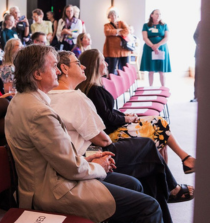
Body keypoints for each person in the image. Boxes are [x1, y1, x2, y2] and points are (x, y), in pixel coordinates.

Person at [5, 44, 163, 223]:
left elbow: (57, 156)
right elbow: (71, 167)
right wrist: (99, 165)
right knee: (149, 207)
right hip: (54, 191)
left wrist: (89, 159)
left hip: (49, 178)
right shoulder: (39, 112)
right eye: (53, 66)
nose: (57, 71)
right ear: (37, 74)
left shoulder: (19, 101)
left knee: (134, 184)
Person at [50, 51, 192, 222]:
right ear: (64, 68)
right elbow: (103, 139)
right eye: (77, 63)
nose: (83, 67)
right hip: (91, 154)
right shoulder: (75, 96)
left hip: (84, 154)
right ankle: (171, 188)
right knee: (149, 146)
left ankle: (171, 187)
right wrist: (121, 125)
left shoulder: (50, 97)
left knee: (150, 151)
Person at [77, 49, 195, 173]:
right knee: (159, 127)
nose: (107, 64)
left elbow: (107, 112)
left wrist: (124, 115)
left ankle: (181, 164)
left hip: (112, 128)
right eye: (103, 60)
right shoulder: (93, 90)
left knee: (159, 125)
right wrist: (126, 118)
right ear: (94, 65)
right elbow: (107, 117)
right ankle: (183, 163)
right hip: (110, 134)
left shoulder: (95, 87)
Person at [140, 9, 171, 86]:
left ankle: (163, 87)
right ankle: (150, 87)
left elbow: (166, 37)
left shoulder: (164, 25)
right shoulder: (146, 25)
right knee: (151, 70)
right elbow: (145, 37)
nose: (158, 15)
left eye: (160, 14)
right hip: (149, 48)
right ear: (152, 15)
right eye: (156, 14)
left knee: (161, 70)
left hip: (161, 48)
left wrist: (157, 45)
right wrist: (152, 46)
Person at [103, 9, 130, 74]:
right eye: (111, 15)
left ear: (117, 16)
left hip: (123, 49)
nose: (113, 16)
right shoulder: (107, 25)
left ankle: (124, 81)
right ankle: (112, 82)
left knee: (124, 67)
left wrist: (114, 33)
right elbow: (107, 32)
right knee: (112, 67)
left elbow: (127, 31)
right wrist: (118, 31)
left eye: (115, 15)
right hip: (113, 50)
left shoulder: (122, 23)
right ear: (109, 16)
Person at [192, 21, 200, 102]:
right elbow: (195, 36)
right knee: (198, 75)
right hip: (200, 53)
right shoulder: (201, 22)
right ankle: (196, 96)